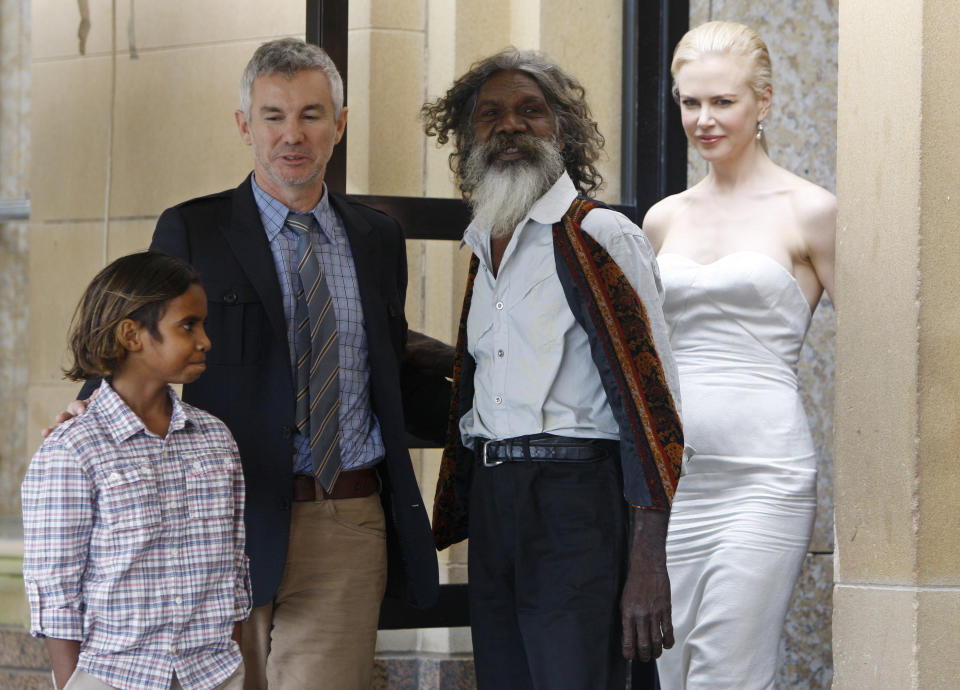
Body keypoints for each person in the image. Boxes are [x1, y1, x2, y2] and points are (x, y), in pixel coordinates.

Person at [57, 38, 449, 689]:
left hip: (344, 519)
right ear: (245, 125)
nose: (292, 134)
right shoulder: (194, 230)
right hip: (219, 518)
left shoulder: (377, 238)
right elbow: (138, 346)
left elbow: (385, 357)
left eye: (311, 115)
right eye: (273, 116)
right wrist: (88, 416)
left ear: (340, 124)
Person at [423, 49, 685, 689]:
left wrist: (648, 561)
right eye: (490, 115)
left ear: (560, 131)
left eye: (529, 111)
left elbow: (654, 405)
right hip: (495, 504)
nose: (509, 126)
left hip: (578, 506)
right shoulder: (482, 244)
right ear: (469, 137)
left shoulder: (600, 236)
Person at [642, 21, 836, 689]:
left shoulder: (810, 211)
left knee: (729, 673)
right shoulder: (663, 219)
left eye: (722, 102)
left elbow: (879, 347)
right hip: (676, 482)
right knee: (670, 672)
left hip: (765, 476)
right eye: (690, 103)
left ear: (765, 101)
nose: (704, 119)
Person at [22, 251, 250, 690]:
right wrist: (76, 685)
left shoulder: (216, 439)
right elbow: (56, 593)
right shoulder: (72, 451)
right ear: (132, 335)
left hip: (213, 674)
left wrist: (227, 661)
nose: (206, 340)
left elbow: (233, 569)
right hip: (110, 677)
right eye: (188, 325)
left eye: (203, 324)